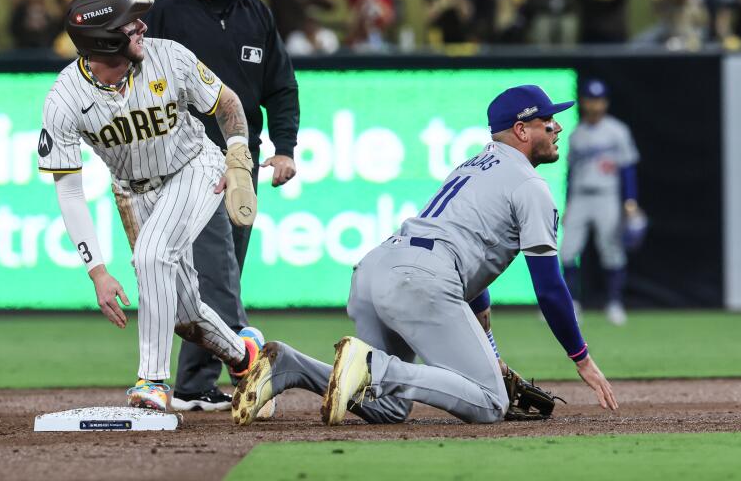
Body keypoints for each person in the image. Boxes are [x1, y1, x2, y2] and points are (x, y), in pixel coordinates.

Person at [232, 85, 619, 426]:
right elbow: (550, 286)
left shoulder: (472, 167)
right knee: (490, 401)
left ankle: (290, 367)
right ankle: (370, 366)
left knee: (388, 409)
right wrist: (581, 358)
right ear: (521, 130)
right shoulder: (530, 185)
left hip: (375, 270)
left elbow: (472, 273)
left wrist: (490, 350)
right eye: (548, 122)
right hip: (420, 278)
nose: (558, 128)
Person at [37, 0, 268, 412]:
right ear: (103, 39)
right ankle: (244, 357)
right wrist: (96, 271)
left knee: (150, 257)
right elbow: (69, 190)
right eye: (129, 22)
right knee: (180, 314)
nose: (141, 25)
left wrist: (238, 153)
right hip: (133, 191)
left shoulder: (168, 55)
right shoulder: (65, 98)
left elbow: (226, 102)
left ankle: (153, 381)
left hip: (194, 166)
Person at [142, 0, 299, 412]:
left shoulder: (257, 14)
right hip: (182, 165)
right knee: (218, 275)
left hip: (239, 163)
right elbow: (137, 81)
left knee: (215, 274)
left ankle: (193, 384)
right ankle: (249, 361)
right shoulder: (165, 13)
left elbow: (280, 85)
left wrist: (286, 146)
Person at [560, 79, 642, 325]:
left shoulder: (618, 131)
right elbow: (571, 173)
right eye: (590, 99)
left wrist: (630, 201)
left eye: (599, 100)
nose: (595, 105)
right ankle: (572, 304)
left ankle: (614, 303)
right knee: (566, 251)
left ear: (605, 102)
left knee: (612, 251)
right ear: (583, 102)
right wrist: (567, 204)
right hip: (580, 197)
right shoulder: (575, 134)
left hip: (608, 196)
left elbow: (628, 168)